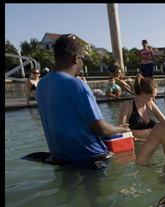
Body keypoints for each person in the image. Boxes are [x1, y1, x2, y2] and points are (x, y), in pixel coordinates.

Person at [35, 35, 130, 168]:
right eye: (83, 59)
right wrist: (120, 128)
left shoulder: (42, 84)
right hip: (89, 156)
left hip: (60, 156)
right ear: (76, 58)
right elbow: (101, 128)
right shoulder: (76, 84)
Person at [117, 74, 165, 140]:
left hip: (153, 141)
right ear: (143, 94)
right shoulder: (127, 105)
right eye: (152, 96)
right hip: (137, 143)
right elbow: (121, 128)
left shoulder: (150, 103)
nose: (154, 99)